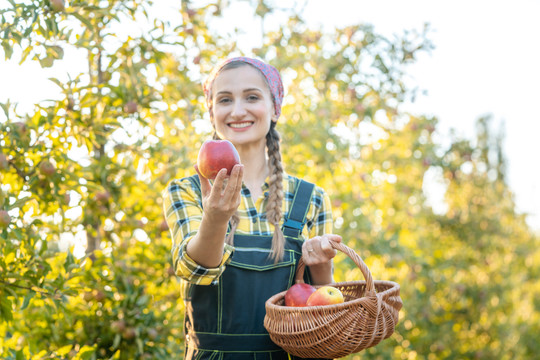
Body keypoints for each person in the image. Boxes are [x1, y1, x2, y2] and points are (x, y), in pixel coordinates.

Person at [163, 56, 342, 360]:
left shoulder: (310, 198)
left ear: (275, 109)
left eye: (252, 97)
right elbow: (194, 270)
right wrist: (215, 219)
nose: (237, 110)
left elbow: (325, 304)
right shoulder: (187, 190)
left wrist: (321, 263)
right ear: (212, 113)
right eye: (224, 100)